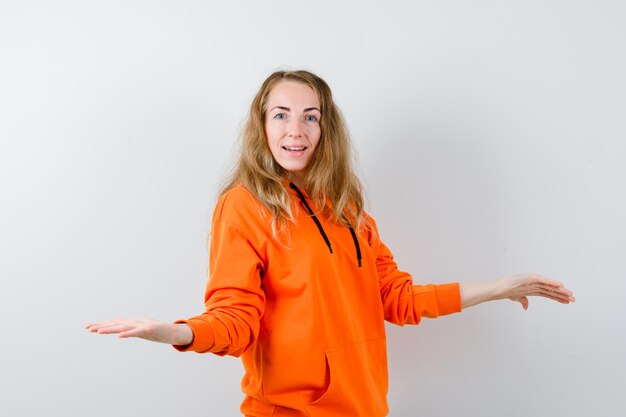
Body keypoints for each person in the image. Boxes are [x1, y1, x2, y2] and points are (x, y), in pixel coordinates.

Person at [86, 70, 575, 417]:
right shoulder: (243, 205)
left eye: (309, 117)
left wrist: (499, 287)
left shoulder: (347, 207)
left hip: (364, 407)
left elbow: (396, 298)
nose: (294, 130)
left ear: (326, 128)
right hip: (289, 411)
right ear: (262, 126)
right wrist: (176, 333)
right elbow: (235, 318)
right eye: (280, 115)